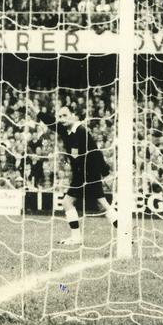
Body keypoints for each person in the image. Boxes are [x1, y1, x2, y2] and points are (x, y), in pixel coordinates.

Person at [48, 106, 117, 247]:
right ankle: (125, 235)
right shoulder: (69, 131)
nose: (61, 119)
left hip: (87, 174)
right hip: (83, 174)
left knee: (67, 202)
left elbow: (96, 153)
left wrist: (106, 174)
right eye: (59, 116)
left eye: (64, 115)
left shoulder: (81, 131)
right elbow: (51, 124)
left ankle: (76, 237)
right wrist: (35, 110)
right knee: (103, 204)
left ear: (74, 115)